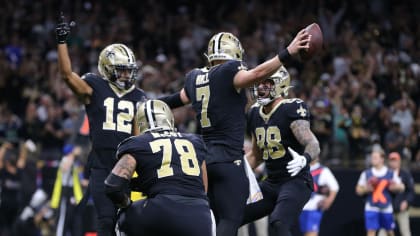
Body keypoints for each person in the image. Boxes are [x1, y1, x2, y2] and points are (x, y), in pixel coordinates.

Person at [160, 29, 311, 236]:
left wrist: (144, 104)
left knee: (212, 219)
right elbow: (257, 74)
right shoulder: (230, 72)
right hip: (229, 159)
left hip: (203, 161)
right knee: (231, 219)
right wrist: (287, 52)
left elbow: (176, 100)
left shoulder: (195, 77)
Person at [55, 13, 146, 236]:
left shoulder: (139, 96)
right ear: (107, 68)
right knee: (105, 222)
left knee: (133, 223)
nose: (126, 74)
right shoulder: (95, 86)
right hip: (102, 167)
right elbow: (67, 75)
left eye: (128, 69)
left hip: (129, 168)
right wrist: (62, 43)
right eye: (121, 69)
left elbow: (139, 136)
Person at [104, 100, 212, 236]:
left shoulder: (138, 143)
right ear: (169, 118)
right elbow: (203, 188)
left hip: (160, 211)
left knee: (123, 216)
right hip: (200, 217)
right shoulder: (195, 142)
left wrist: (127, 204)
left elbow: (112, 186)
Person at [242, 66, 321, 236]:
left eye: (266, 83)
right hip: (271, 182)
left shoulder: (291, 108)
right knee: (233, 215)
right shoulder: (254, 112)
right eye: (259, 83)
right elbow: (257, 155)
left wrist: (304, 159)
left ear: (280, 85)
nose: (261, 87)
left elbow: (313, 144)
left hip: (297, 181)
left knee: (279, 222)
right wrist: (235, 169)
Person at [355, 149, 405, 236]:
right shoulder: (366, 173)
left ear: (382, 159)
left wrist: (395, 187)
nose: (372, 159)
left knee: (390, 231)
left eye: (375, 158)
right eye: (372, 157)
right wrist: (365, 189)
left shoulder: (390, 173)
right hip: (371, 206)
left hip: (386, 207)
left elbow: (402, 187)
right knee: (371, 231)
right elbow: (358, 190)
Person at [299, 157, 339, 236]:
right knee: (305, 232)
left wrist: (329, 201)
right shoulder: (301, 169)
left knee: (311, 232)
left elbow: (334, 187)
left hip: (314, 207)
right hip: (302, 207)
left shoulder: (323, 170)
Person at [388, 152, 415, 236]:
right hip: (387, 209)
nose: (393, 162)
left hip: (402, 208)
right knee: (383, 233)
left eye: (395, 160)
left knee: (405, 232)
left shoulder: (405, 174)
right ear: (388, 162)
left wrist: (406, 202)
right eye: (391, 160)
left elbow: (411, 191)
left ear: (399, 161)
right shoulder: (385, 174)